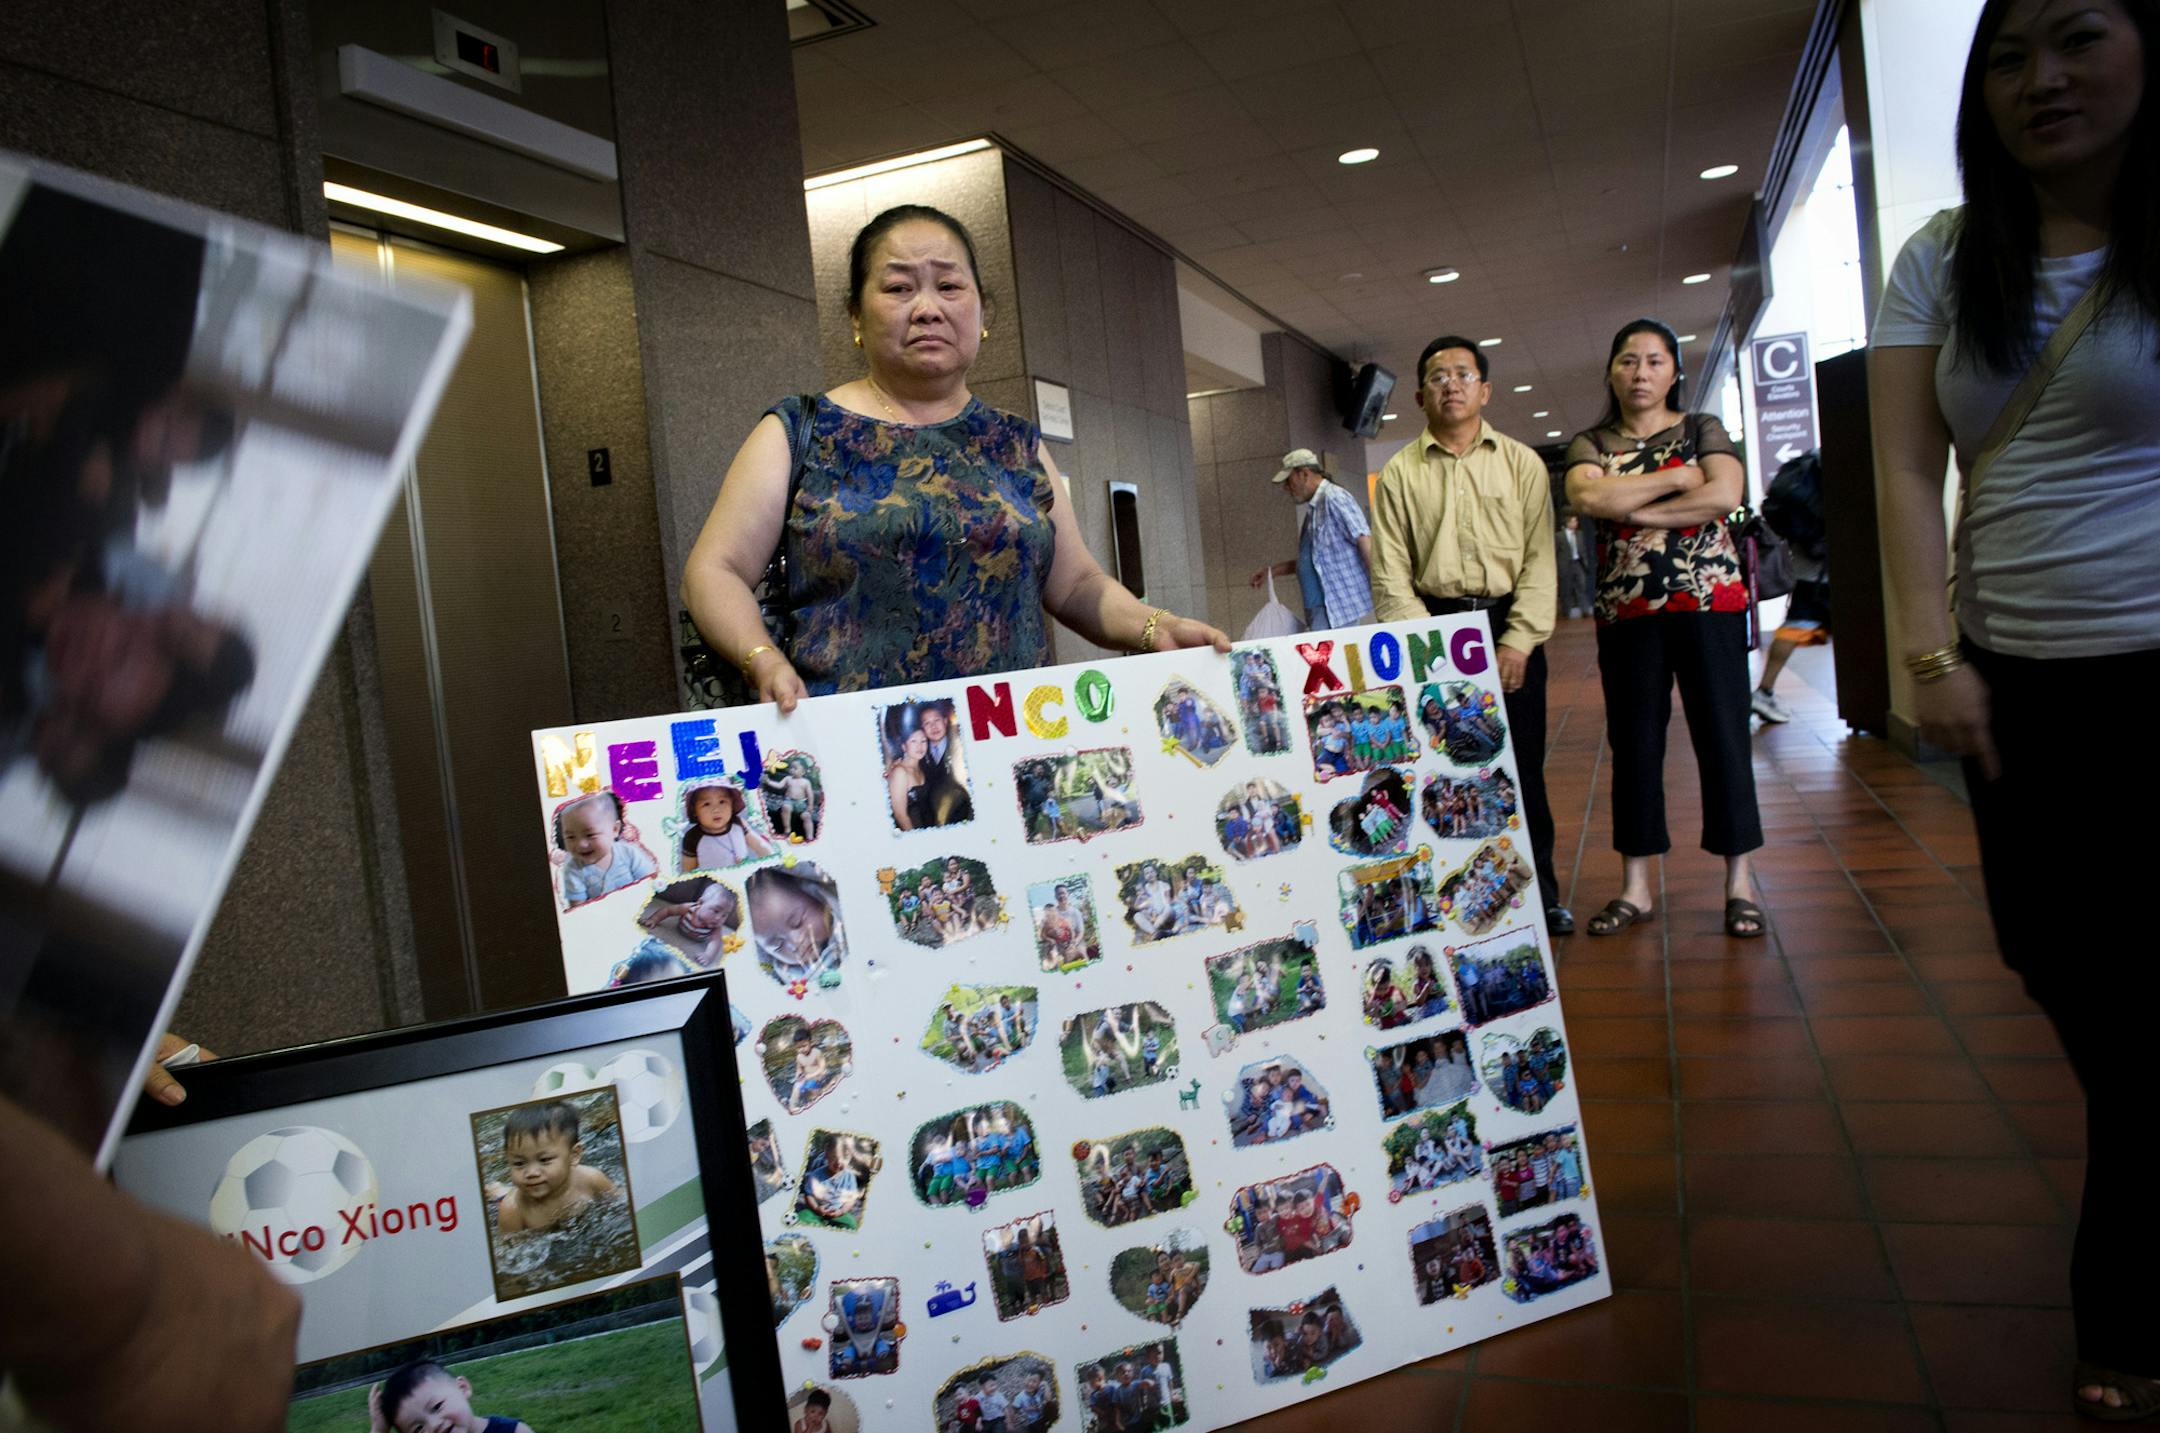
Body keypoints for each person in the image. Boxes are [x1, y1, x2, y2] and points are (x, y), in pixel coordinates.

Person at [1871, 0, 2159, 1416]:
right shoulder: (1943, 258)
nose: (2041, 79)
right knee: (2068, 972)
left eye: (2078, 38)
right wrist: (1931, 659)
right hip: (2021, 687)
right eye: (2006, 54)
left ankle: (2128, 1313)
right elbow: (1905, 476)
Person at [681, 204, 1228, 709]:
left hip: (1011, 735)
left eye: (948, 285)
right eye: (898, 287)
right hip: (850, 746)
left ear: (982, 312)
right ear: (855, 316)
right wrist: (761, 658)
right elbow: (714, 570)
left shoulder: (1015, 442)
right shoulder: (801, 429)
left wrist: (1158, 627)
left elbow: (1077, 584)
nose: (927, 309)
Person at [1565, 318, 1766, 939]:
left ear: (1674, 371)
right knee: (1635, 746)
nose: (1641, 372)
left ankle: (1740, 882)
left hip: (1711, 603)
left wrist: (1637, 505)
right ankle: (1635, 886)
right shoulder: (1589, 441)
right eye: (1628, 361)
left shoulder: (1703, 427)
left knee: (1724, 738)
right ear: (1611, 372)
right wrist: (1680, 478)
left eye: (1654, 361)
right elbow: (1590, 502)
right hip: (1629, 614)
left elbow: (1723, 495)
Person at [1372, 335, 1572, 935]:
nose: (1450, 384)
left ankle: (1541, 895)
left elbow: (1540, 560)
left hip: (1509, 627)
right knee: (1446, 770)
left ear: (1484, 389)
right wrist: (1429, 654)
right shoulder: (1400, 473)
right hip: (1435, 628)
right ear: (1418, 396)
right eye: (1438, 377)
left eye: (1462, 374)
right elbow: (1390, 573)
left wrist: (1518, 641)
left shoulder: (1522, 463)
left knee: (1522, 769)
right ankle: (1454, 898)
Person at [1248, 448, 1376, 630]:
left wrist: (1382, 587)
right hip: (1319, 607)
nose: (1286, 487)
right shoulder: (1314, 510)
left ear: (1304, 474)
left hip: (1336, 608)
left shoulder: (1335, 497)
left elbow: (1363, 539)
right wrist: (1272, 571)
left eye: (1288, 480)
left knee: (1332, 657)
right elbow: (1314, 558)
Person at [1749, 449, 1831, 724]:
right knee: (1801, 625)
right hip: (1826, 568)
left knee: (1798, 625)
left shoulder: (1809, 464)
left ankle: (1765, 689)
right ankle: (1764, 691)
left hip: (1808, 563)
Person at [495, 1101, 616, 1233]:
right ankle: (498, 1191)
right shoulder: (513, 1210)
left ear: (574, 1155)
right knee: (502, 1197)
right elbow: (511, 1250)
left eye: (544, 1160)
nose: (531, 1173)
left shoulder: (592, 1180)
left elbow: (620, 1206)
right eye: (519, 1163)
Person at [551, 790, 656, 906]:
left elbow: (649, 883)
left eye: (590, 835)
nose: (580, 844)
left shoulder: (630, 853)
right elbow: (578, 908)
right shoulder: (572, 869)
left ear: (614, 830)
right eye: (570, 837)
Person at [370, 1361, 533, 1433]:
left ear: (463, 1388)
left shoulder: (513, 1431)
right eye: (418, 1429)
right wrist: (378, 1430)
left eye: (436, 1407)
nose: (433, 1426)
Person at [679, 780, 771, 870]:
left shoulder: (738, 823)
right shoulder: (692, 837)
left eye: (722, 802)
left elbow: (759, 845)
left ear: (731, 804)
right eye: (706, 804)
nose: (716, 810)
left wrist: (771, 858)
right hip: (713, 881)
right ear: (695, 811)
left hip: (745, 873)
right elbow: (688, 869)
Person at [1556, 512, 1596, 619]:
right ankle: (1566, 611)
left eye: (1576, 521)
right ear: (1567, 523)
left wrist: (1586, 563)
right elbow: (1555, 551)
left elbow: (1583, 549)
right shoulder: (1559, 536)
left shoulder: (1580, 534)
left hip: (1578, 563)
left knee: (1582, 586)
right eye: (1573, 521)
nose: (1576, 523)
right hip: (1565, 565)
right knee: (1566, 589)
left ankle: (1585, 610)